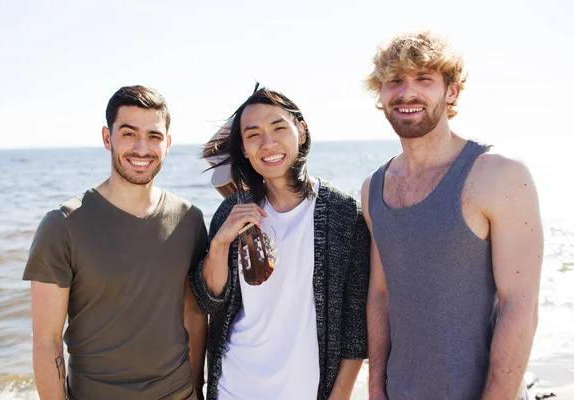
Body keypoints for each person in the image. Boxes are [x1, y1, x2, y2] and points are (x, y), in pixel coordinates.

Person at [362, 31, 544, 400]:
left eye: (424, 79)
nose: (406, 92)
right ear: (381, 95)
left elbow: (519, 305)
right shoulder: (373, 187)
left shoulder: (498, 175)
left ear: (452, 92)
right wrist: (376, 388)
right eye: (394, 81)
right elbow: (380, 294)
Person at [23, 85, 208, 400]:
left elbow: (193, 313)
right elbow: (46, 341)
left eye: (154, 136)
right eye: (128, 133)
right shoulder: (62, 226)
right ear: (107, 138)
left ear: (168, 143)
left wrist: (196, 389)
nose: (141, 148)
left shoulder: (189, 219)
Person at [189, 86, 370, 400]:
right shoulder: (232, 211)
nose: (268, 143)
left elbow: (355, 325)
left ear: (300, 130)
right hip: (234, 387)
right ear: (243, 149)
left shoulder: (343, 213)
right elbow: (209, 300)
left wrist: (339, 395)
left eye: (278, 128)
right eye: (253, 134)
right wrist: (220, 243)